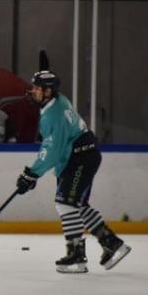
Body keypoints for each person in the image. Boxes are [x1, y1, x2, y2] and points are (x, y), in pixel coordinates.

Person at [15, 70, 131, 274]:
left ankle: (77, 256)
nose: (32, 91)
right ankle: (111, 243)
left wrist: (31, 173)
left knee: (65, 203)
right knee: (76, 204)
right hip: (79, 157)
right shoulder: (56, 100)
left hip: (80, 159)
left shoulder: (53, 114)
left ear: (48, 91)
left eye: (37, 88)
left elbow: (52, 149)